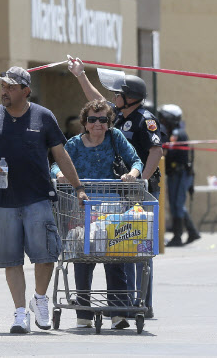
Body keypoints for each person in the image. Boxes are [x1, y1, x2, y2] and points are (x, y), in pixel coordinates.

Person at [0, 66, 88, 334]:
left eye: (10, 87)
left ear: (26, 91)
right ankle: (20, 312)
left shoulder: (43, 117)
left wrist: (78, 187)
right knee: (11, 260)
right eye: (3, 86)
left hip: (38, 198)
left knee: (45, 255)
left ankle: (41, 300)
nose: (4, 91)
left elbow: (61, 154)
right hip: (3, 200)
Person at [67, 56, 161, 319]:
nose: (114, 97)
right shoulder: (117, 117)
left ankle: (141, 304)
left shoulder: (145, 118)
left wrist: (140, 180)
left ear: (130, 97)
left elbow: (155, 151)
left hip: (140, 189)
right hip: (118, 191)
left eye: (119, 94)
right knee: (118, 244)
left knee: (137, 247)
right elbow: (97, 102)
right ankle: (123, 304)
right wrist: (80, 75)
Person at [51, 99, 143, 329]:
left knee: (115, 258)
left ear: (110, 122)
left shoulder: (115, 139)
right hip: (80, 207)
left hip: (112, 208)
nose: (97, 124)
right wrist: (60, 174)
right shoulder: (73, 144)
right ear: (85, 122)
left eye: (103, 120)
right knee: (83, 259)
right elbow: (55, 165)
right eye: (92, 119)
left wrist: (132, 174)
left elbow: (136, 161)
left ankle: (119, 313)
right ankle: (83, 313)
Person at [158, 104, 201, 247]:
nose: (161, 121)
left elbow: (169, 152)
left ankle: (178, 236)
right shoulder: (173, 132)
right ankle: (192, 232)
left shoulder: (177, 133)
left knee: (177, 204)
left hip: (180, 173)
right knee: (177, 204)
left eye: (164, 118)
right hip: (176, 173)